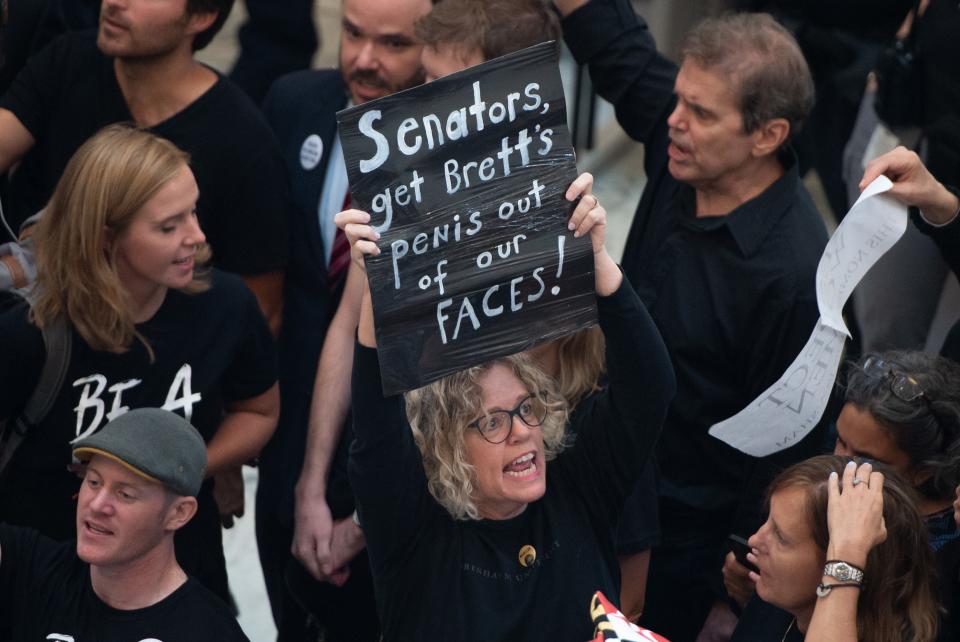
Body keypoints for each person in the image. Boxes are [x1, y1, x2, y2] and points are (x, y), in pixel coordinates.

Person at [271, 0, 563, 637]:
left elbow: (519, 413)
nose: (421, 103)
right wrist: (312, 488)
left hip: (458, 541)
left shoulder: (551, 223)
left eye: (440, 86)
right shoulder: (403, 176)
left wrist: (365, 524)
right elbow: (349, 330)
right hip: (364, 484)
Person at [553, 1, 831, 637]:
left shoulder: (794, 280)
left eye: (701, 113)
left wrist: (729, 598)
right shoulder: (688, 147)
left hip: (683, 552)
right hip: (593, 488)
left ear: (768, 135)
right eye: (679, 99)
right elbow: (622, 54)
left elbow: (783, 455)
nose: (672, 123)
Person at [338, 165, 676, 639]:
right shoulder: (415, 533)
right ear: (448, 446)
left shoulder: (580, 487)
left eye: (527, 408)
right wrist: (379, 285)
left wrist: (595, 255)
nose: (521, 431)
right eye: (493, 422)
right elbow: (375, 437)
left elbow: (650, 387)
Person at [0, 124, 279, 602]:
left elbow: (259, 411)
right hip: (45, 581)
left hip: (178, 575)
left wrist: (178, 474)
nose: (197, 236)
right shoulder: (28, 334)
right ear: (108, 238)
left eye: (193, 211)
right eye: (168, 226)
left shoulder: (226, 306)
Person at [258, 0, 431, 638]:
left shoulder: (458, 155)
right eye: (353, 33)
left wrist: (363, 519)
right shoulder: (292, 102)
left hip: (404, 474)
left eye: (392, 44)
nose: (364, 59)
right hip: (289, 450)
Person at [0, 0, 289, 334]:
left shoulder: (244, 142)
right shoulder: (69, 59)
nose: (114, 3)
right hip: (30, 325)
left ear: (201, 16)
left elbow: (261, 312)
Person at [0, 408, 249, 641]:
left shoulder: (208, 631)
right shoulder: (32, 566)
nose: (97, 505)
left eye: (125, 494)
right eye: (93, 481)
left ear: (179, 513)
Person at [729, 456, 940, 641]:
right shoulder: (774, 606)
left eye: (781, 538)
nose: (754, 540)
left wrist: (849, 553)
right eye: (768, 521)